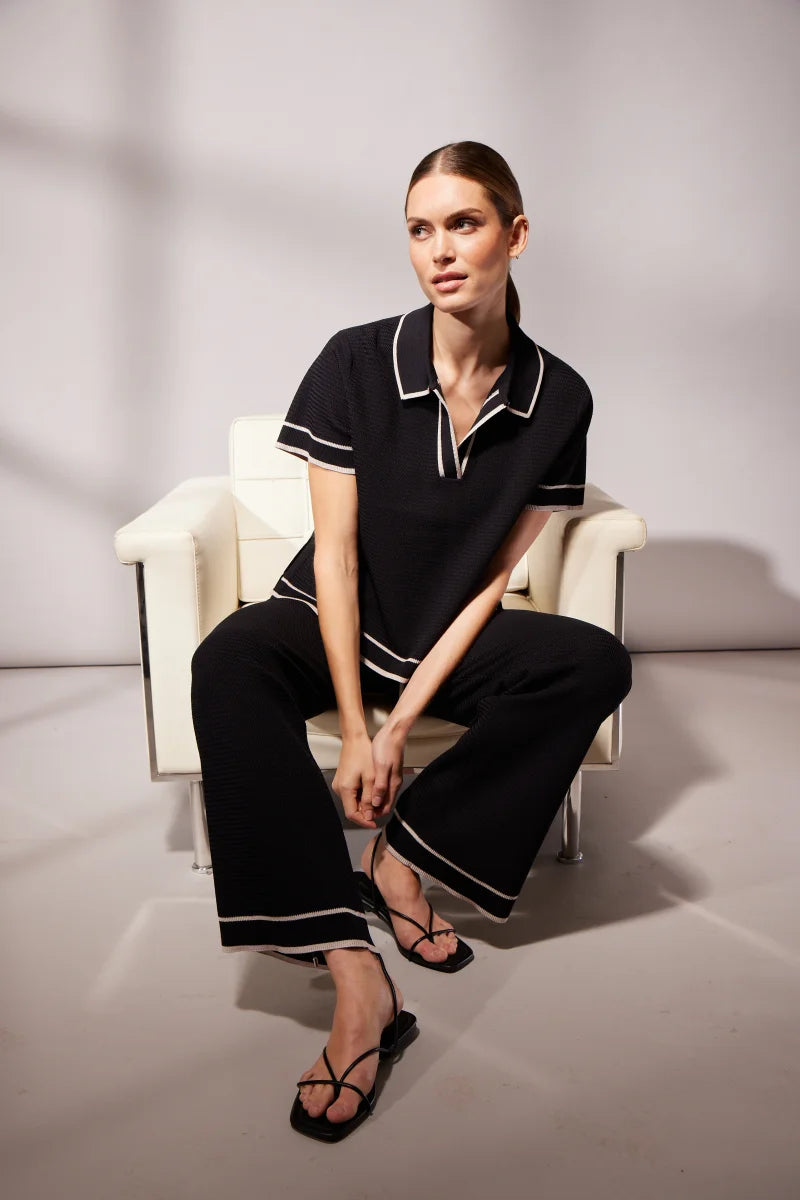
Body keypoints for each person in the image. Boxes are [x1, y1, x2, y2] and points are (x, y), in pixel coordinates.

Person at [190, 140, 633, 1142]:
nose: (439, 250)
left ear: (515, 235)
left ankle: (402, 859)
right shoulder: (354, 361)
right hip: (328, 615)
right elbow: (337, 557)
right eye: (419, 230)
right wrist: (358, 728)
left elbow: (489, 579)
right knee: (229, 658)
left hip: (445, 634)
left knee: (593, 661)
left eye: (463, 224)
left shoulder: (558, 397)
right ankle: (357, 977)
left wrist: (398, 735)